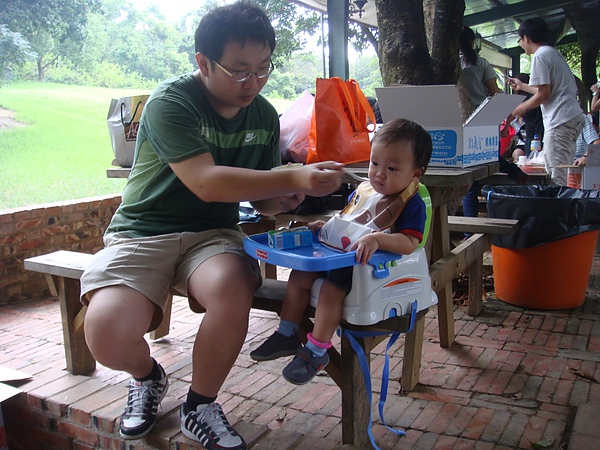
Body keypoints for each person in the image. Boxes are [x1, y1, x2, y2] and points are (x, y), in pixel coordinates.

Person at [79, 3, 344, 449]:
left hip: (211, 236)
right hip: (143, 231)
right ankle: (147, 377)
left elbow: (257, 197)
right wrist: (292, 176)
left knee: (232, 284)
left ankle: (199, 404)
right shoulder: (172, 102)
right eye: (239, 70)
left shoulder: (262, 115)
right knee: (104, 331)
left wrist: (283, 195)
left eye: (263, 69)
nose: (253, 83)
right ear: (203, 62)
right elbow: (205, 182)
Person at [249, 118, 432, 385]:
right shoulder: (366, 191)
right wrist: (329, 228)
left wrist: (378, 240)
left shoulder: (410, 203)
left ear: (416, 173)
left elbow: (410, 243)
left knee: (331, 290)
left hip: (366, 266)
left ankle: (316, 350)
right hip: (339, 254)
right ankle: (286, 332)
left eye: (392, 168)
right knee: (299, 276)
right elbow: (352, 220)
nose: (379, 173)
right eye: (374, 163)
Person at [458, 26, 527, 224]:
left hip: (459, 122)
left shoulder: (449, 64)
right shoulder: (480, 63)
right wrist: (504, 118)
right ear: (472, 42)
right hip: (482, 120)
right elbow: (495, 93)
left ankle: (468, 229)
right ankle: (515, 172)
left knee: (470, 180)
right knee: (486, 159)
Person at [508, 18, 584, 186]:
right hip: (570, 117)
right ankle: (564, 209)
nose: (521, 44)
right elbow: (547, 90)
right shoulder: (552, 53)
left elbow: (543, 95)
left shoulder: (540, 56)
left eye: (520, 40)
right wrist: (523, 86)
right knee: (562, 170)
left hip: (560, 120)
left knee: (556, 175)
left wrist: (519, 109)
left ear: (526, 38)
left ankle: (559, 211)